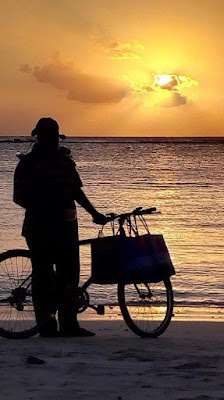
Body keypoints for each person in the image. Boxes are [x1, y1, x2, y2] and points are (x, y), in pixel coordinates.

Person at [13, 117, 107, 337]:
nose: (51, 140)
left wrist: (94, 214)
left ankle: (68, 324)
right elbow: (19, 196)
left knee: (69, 276)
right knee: (44, 276)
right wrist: (43, 208)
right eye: (47, 136)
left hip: (65, 226)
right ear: (41, 137)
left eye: (53, 136)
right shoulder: (28, 163)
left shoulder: (63, 162)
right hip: (40, 227)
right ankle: (47, 325)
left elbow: (76, 192)